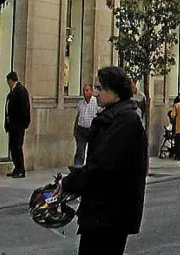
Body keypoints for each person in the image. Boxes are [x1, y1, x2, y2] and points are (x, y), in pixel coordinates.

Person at [62, 66, 148, 255]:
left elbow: (102, 166)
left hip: (109, 213)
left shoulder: (124, 121)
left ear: (115, 91)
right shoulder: (116, 117)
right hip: (104, 212)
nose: (96, 93)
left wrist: (69, 183)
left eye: (100, 88)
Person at [5, 71, 30, 178]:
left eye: (8, 82)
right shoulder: (14, 91)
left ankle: (20, 169)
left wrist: (20, 123)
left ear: (11, 80)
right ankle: (17, 167)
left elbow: (23, 109)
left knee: (17, 147)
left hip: (18, 125)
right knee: (13, 147)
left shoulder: (20, 91)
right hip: (13, 125)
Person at [73, 84, 99, 167]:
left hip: (92, 130)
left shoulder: (96, 102)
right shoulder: (80, 103)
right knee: (80, 150)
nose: (85, 92)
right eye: (84, 90)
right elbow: (78, 116)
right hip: (81, 129)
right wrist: (75, 129)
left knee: (92, 151)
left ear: (91, 91)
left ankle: (90, 168)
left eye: (87, 90)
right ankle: (77, 167)